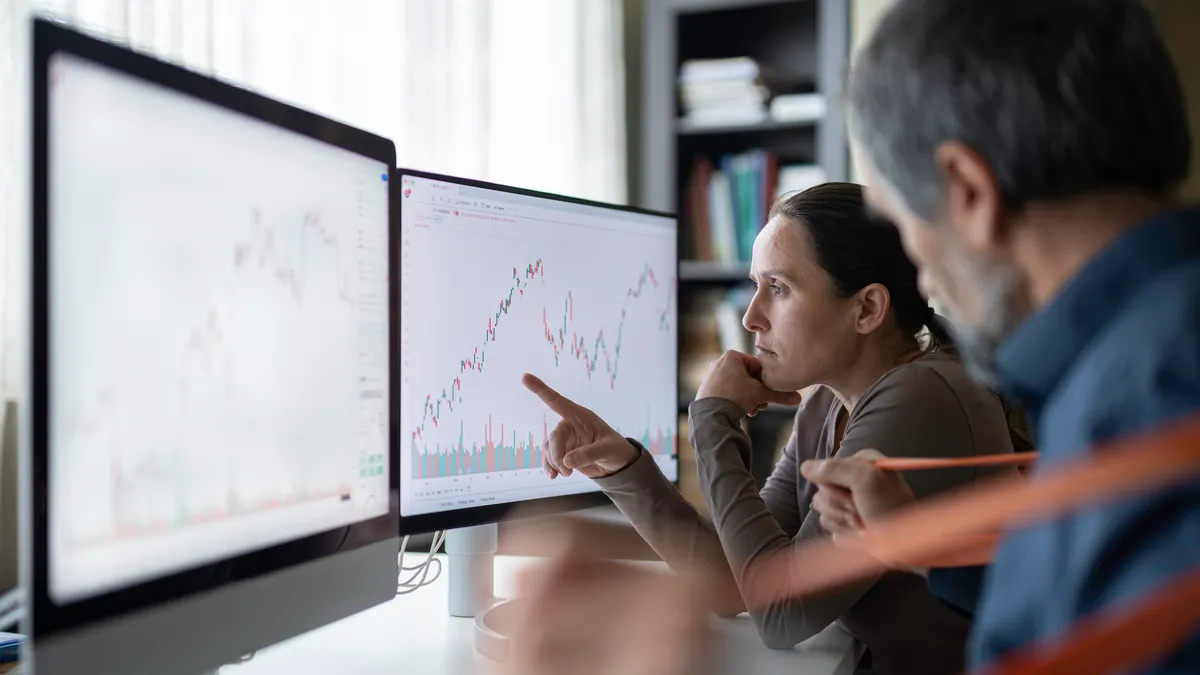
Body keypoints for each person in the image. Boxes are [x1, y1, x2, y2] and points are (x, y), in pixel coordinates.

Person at [799, 0, 1200, 671]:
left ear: (969, 192)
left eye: (901, 224)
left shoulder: (1146, 404)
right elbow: (1089, 599)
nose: (922, 278)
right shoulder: (1136, 354)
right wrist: (927, 546)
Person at [520, 182, 1026, 675]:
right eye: (755, 287)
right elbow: (735, 583)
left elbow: (782, 612)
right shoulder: (827, 404)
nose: (751, 317)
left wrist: (712, 421)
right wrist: (624, 469)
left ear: (867, 309)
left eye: (779, 288)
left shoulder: (920, 395)